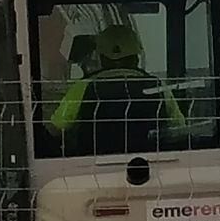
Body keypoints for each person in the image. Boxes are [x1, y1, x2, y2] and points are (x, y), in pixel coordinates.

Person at [49, 25, 184, 149]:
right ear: (136, 57)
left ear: (101, 58)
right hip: (150, 163)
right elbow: (178, 128)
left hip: (91, 164)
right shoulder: (156, 86)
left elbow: (57, 127)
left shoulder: (84, 86)